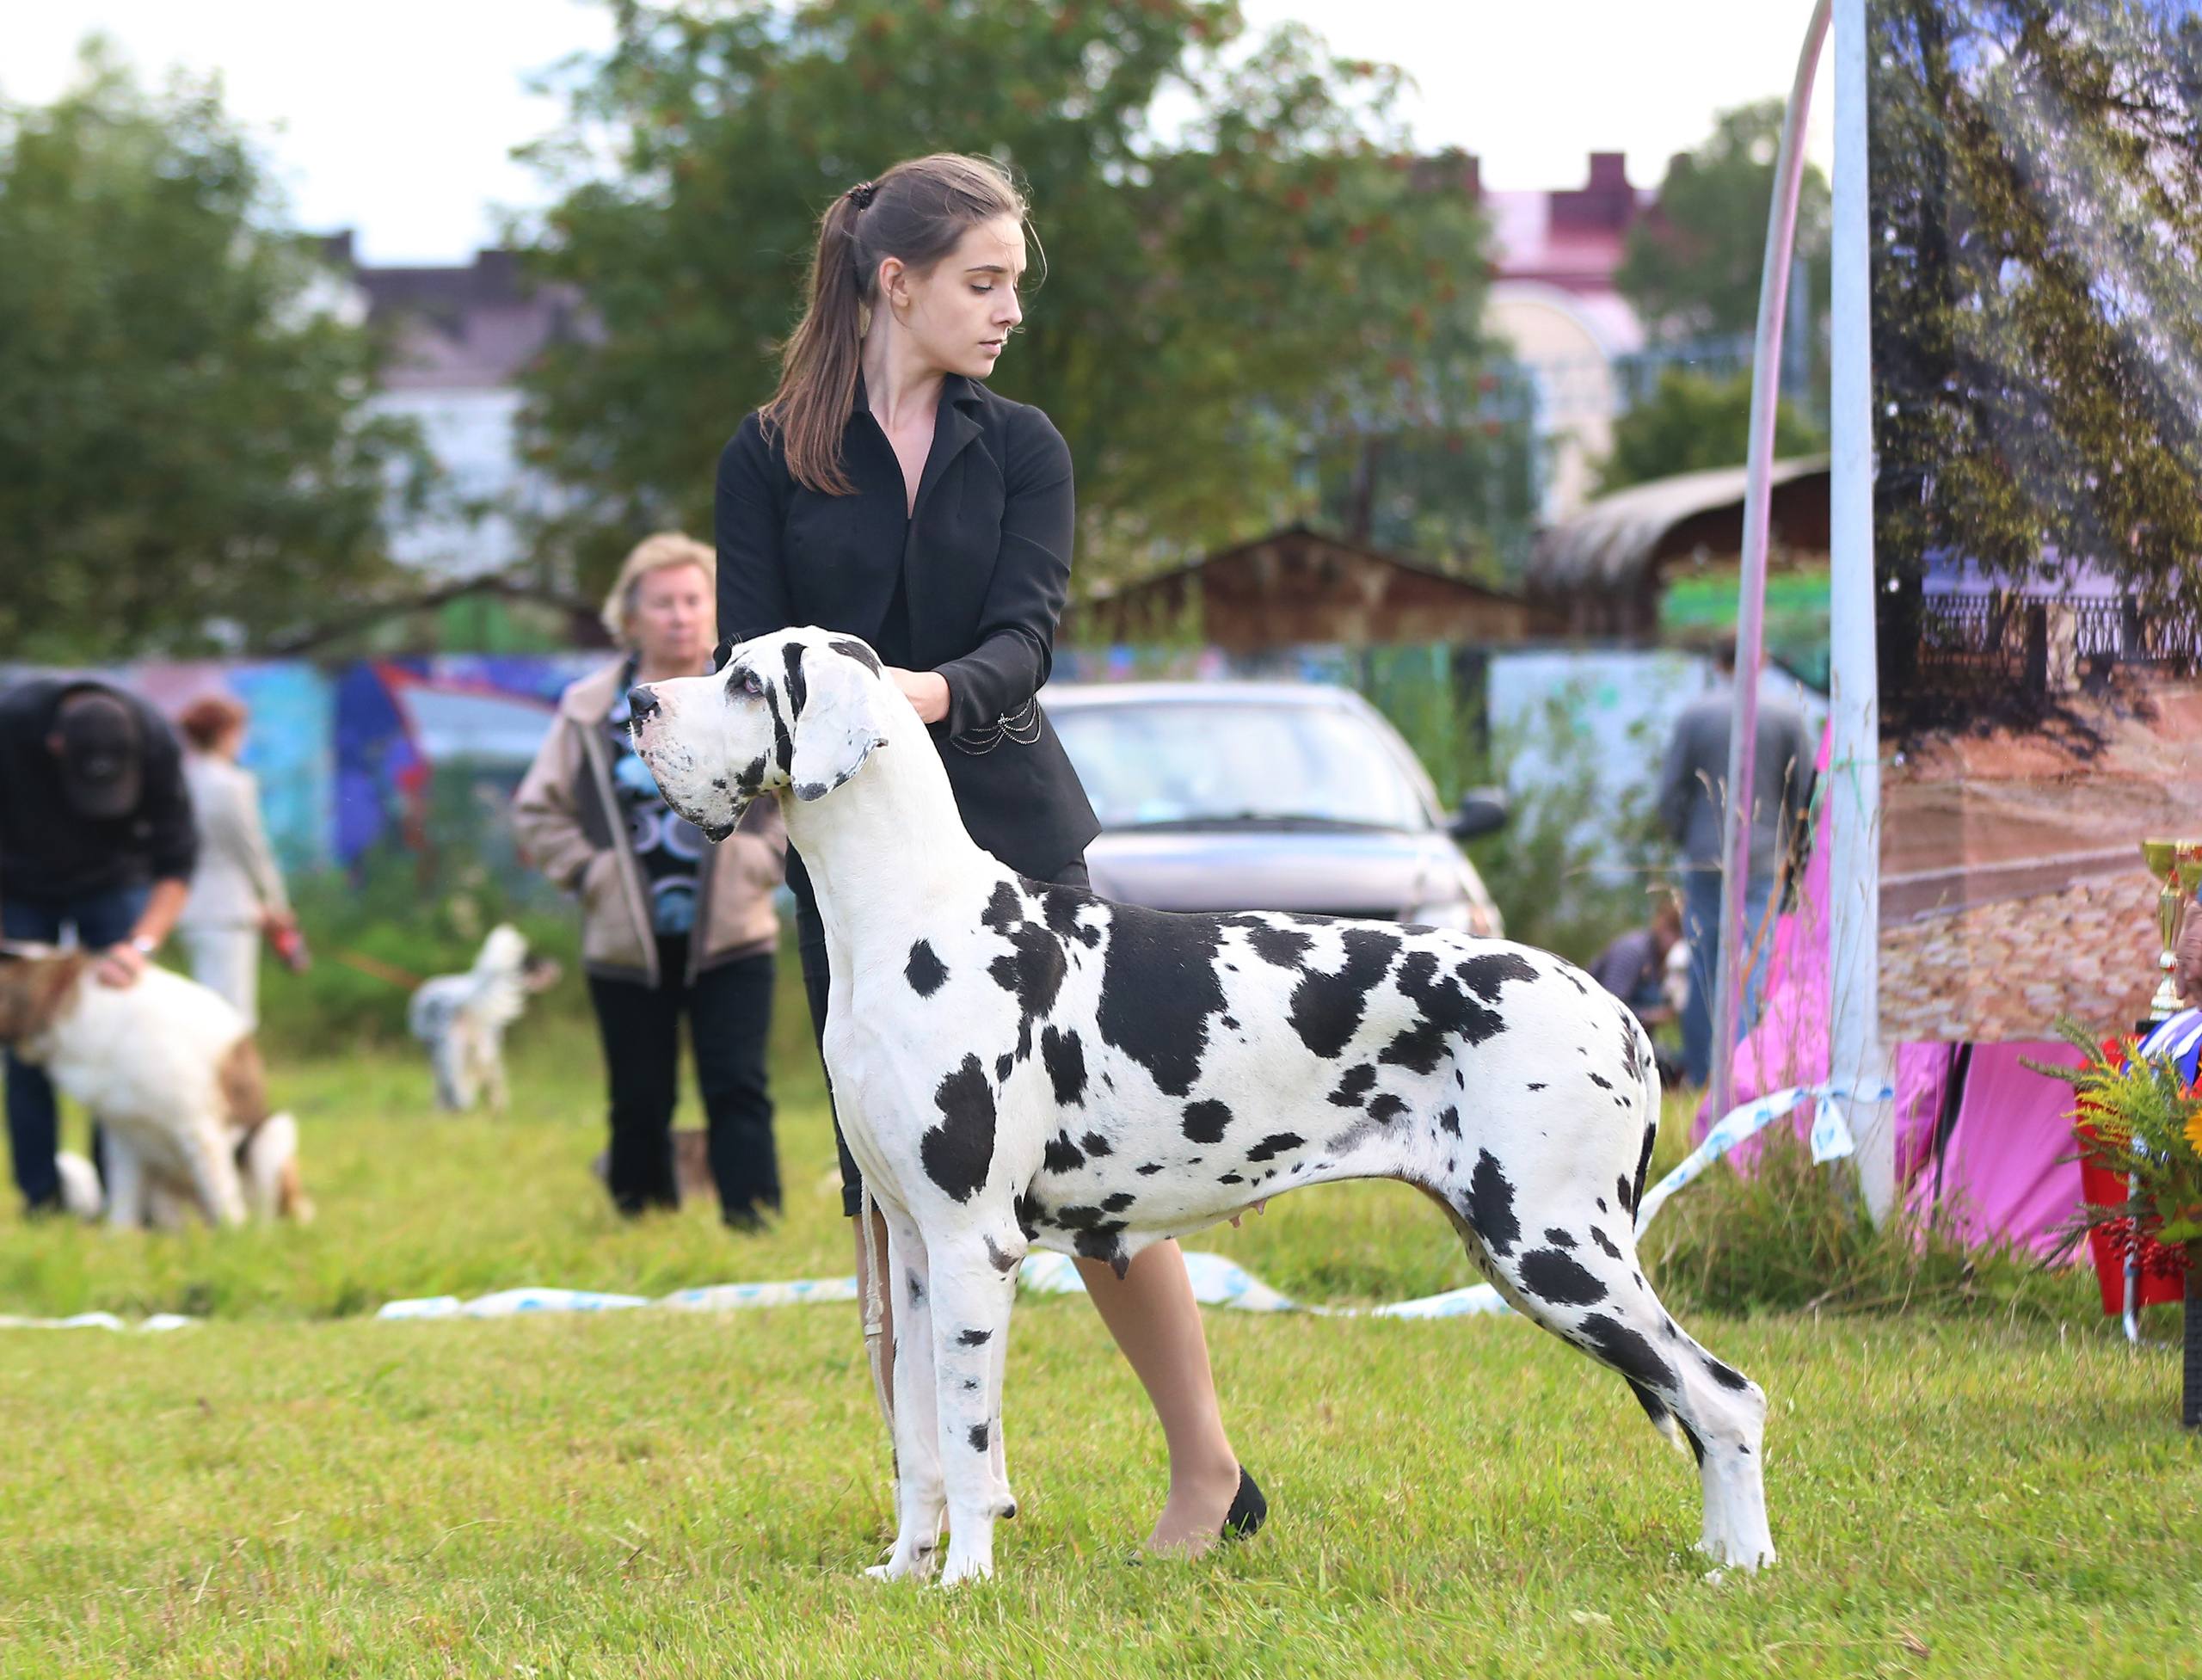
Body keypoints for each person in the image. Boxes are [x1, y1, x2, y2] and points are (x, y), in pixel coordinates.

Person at [716, 154, 1259, 1555]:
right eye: (985, 281)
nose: (1010, 308)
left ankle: (1207, 1472)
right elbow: (750, 664)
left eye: (1015, 281)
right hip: (857, 872)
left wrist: (916, 694)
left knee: (1102, 1172)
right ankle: (940, 1503)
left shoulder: (1024, 447)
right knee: (892, 1186)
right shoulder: (766, 457)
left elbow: (1028, 639)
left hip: (1020, 845)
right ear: (896, 283)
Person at [513, 534, 788, 1229]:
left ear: (713, 607)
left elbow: (797, 793)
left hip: (734, 928)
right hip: (624, 935)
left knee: (738, 1083)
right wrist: (591, 872)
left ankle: (754, 1220)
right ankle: (641, 1221)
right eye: (663, 602)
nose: (680, 615)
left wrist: (762, 862)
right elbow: (538, 809)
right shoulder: (589, 707)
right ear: (630, 616)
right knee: (639, 1093)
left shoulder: (743, 692)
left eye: (693, 599)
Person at [0, 678, 196, 1211]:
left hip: (114, 880)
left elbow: (177, 862)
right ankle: (43, 1197)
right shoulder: (10, 723)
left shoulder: (154, 738)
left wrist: (140, 946)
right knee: (24, 1039)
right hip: (19, 883)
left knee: (121, 1033)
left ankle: (121, 1198)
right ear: (54, 745)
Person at [1657, 638, 1815, 1090]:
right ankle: (1745, 1073)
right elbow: (1805, 796)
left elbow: (1669, 795)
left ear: (1716, 662)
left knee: (1704, 963)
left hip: (1705, 856)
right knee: (1755, 961)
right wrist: (1797, 856)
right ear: (1761, 660)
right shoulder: (1787, 714)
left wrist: (1687, 837)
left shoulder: (1694, 715)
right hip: (1766, 857)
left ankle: (1702, 1074)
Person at [174, 695, 298, 1027]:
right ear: (226, 733)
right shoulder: (233, 784)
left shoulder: (179, 781)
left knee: (206, 1006)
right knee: (231, 1012)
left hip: (188, 907)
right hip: (229, 909)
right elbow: (252, 850)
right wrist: (277, 904)